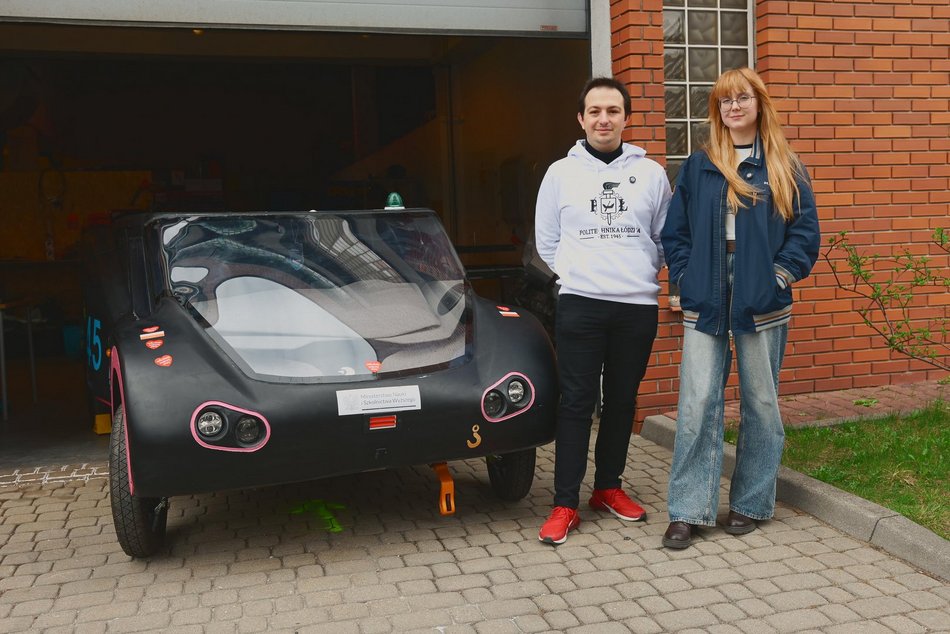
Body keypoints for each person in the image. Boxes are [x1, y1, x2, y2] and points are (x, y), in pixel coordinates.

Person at [660, 67, 820, 549]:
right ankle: (688, 510)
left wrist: (778, 277)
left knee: (761, 401)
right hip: (706, 288)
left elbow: (804, 233)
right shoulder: (701, 164)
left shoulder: (785, 165)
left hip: (761, 291)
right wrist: (685, 277)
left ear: (759, 103)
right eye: (725, 100)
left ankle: (750, 502)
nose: (733, 107)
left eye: (742, 98)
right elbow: (675, 232)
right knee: (697, 401)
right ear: (718, 110)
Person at [534, 77, 672, 545]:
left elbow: (663, 238)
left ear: (626, 118)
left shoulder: (651, 173)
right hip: (581, 304)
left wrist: (638, 271)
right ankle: (565, 503)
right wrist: (580, 275)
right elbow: (547, 242)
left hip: (636, 306)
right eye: (594, 111)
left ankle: (608, 488)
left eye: (613, 111)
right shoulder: (560, 174)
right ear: (581, 119)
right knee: (576, 403)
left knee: (622, 401)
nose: (604, 119)